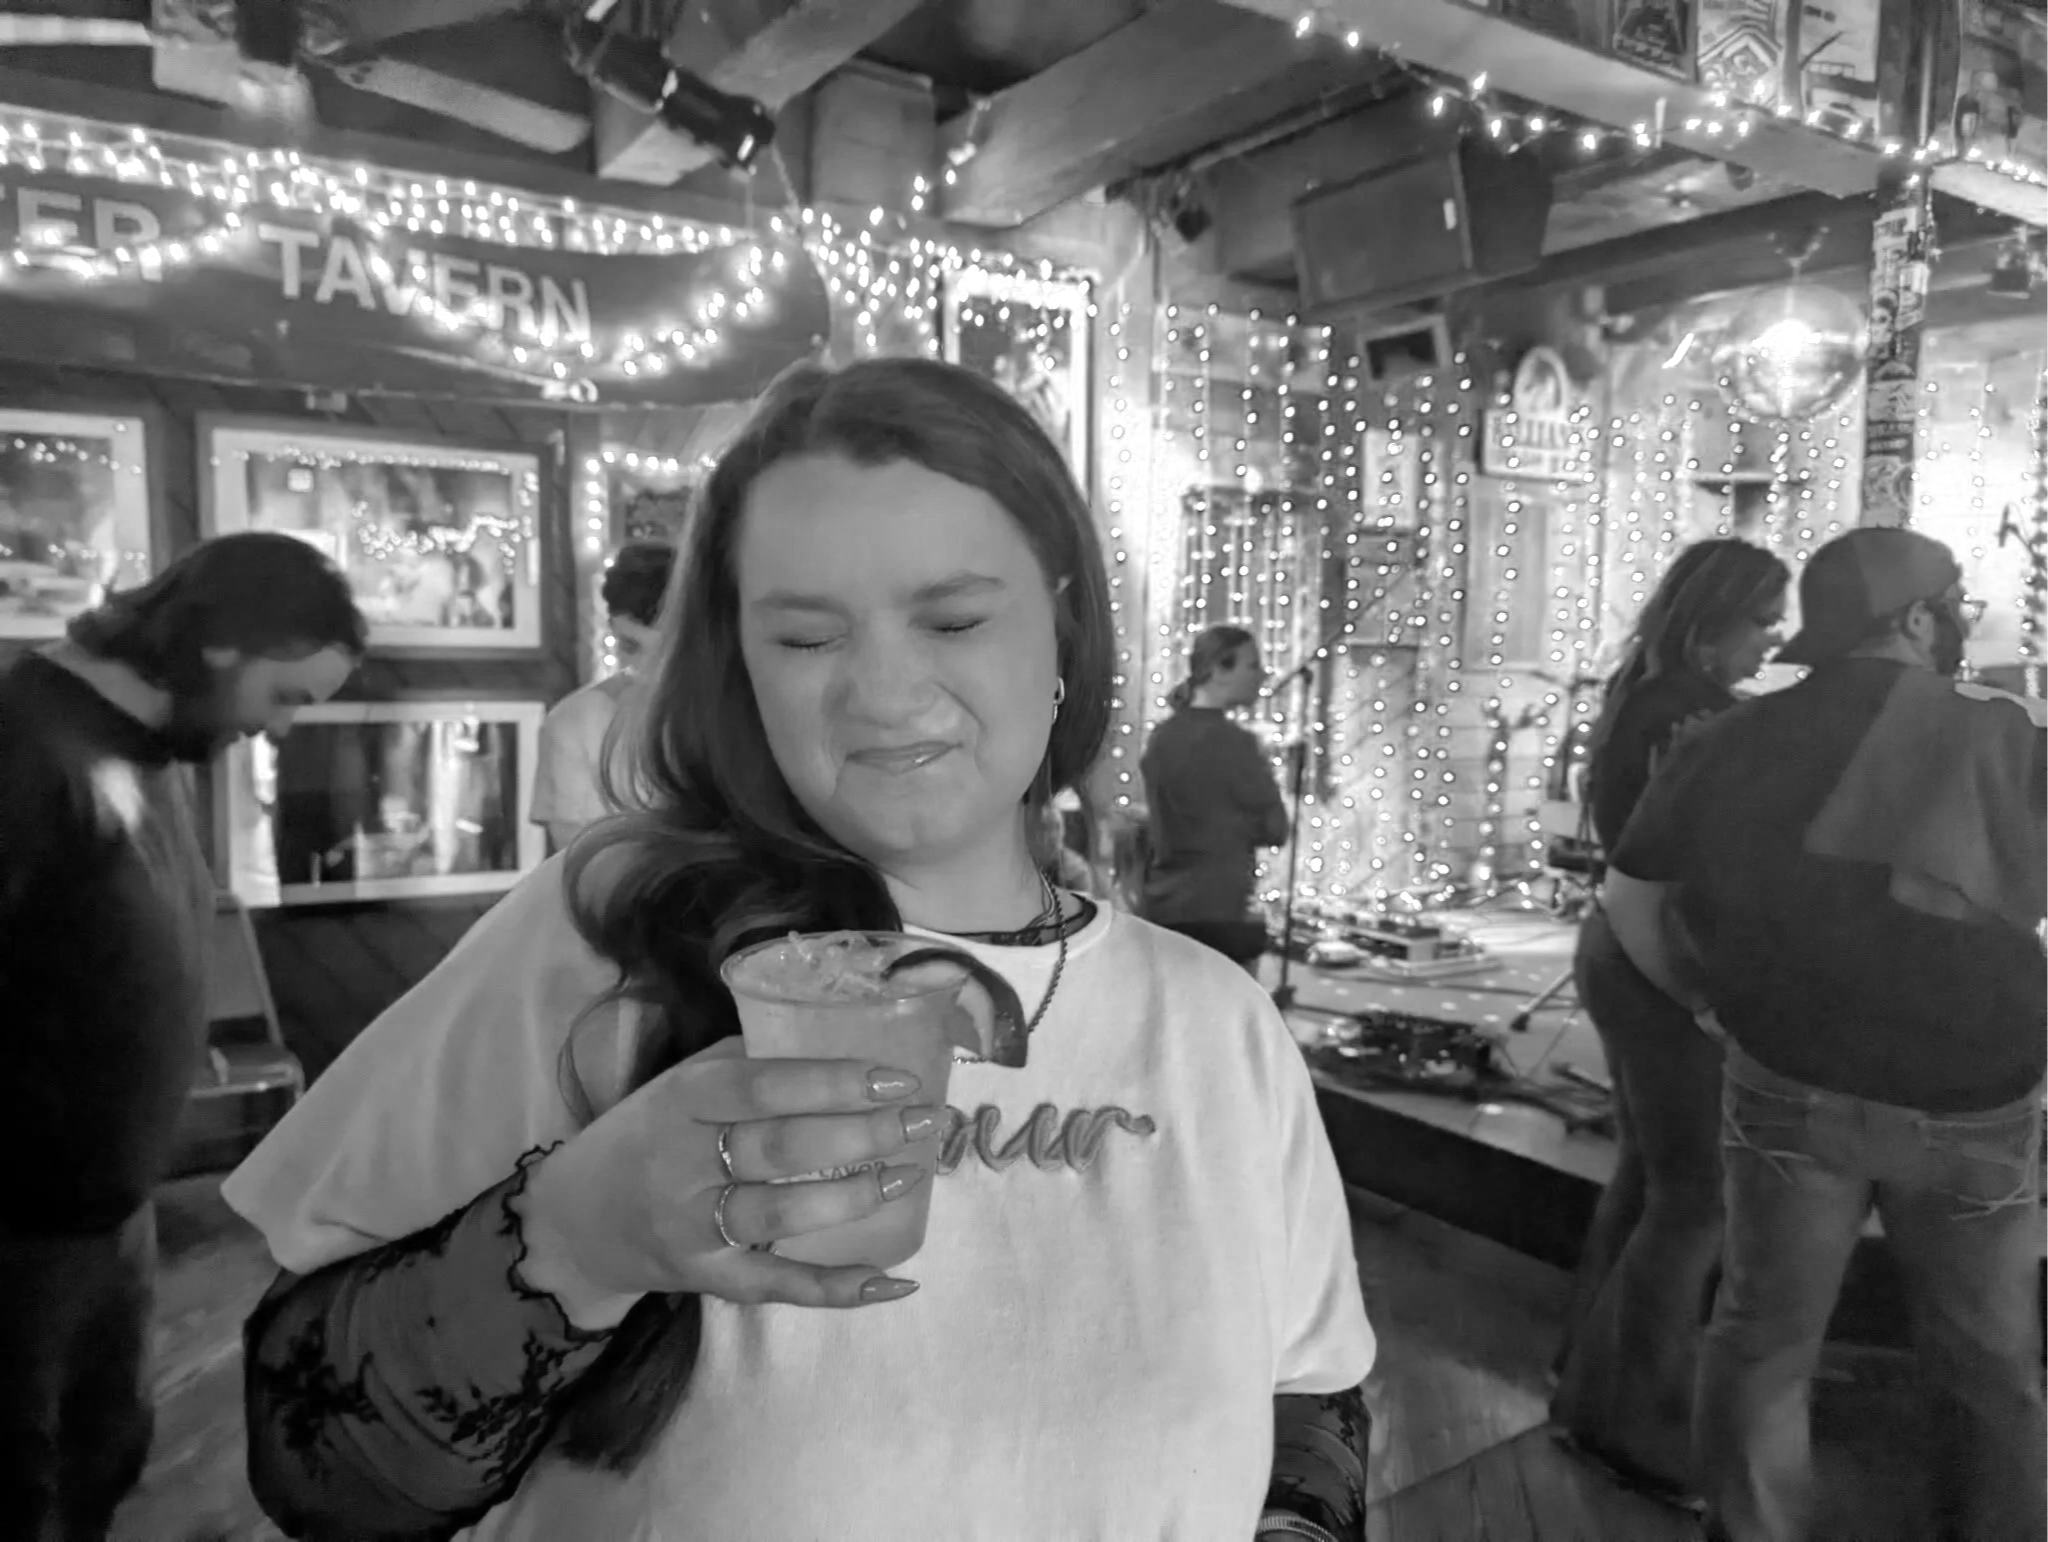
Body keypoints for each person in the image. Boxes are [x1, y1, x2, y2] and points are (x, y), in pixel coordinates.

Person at [221, 358, 1377, 1542]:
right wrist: (574, 1236)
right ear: (743, 668)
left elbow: (1309, 1397)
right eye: (807, 639)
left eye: (954, 618)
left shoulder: (1214, 1022)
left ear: (1062, 625)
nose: (882, 694)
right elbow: (313, 1461)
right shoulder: (600, 941)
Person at [1604, 526, 2048, 1542]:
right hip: (1974, 1093)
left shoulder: (1730, 735)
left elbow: (1630, 897)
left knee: (1762, 1340)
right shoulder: (2002, 732)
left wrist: (1707, 1007)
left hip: (1788, 1080)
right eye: (1953, 605)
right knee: (1987, 1361)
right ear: (1912, 618)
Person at [0, 532, 364, 1541]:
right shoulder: (23, 745)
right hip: (18, 1227)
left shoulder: (149, 744)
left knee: (100, 1459)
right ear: (222, 647)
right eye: (285, 697)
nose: (281, 731)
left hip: (105, 1207)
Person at [1549, 538, 1789, 1508]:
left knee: (1652, 1177)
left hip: (1620, 940)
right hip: (1665, 957)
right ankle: (1637, 1425)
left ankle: (1585, 1380)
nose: (1769, 642)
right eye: (1761, 620)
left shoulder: (1641, 699)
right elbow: (1711, 862)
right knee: (1695, 1198)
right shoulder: (1696, 717)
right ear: (1712, 617)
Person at [1139, 624, 1290, 970]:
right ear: (1219, 669)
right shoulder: (1236, 744)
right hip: (1221, 908)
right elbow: (1276, 829)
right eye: (1251, 665)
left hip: (1164, 907)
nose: (1262, 675)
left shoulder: (1162, 738)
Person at [528, 539, 675, 854]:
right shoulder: (576, 723)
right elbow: (580, 865)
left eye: (675, 653)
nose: (651, 669)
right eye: (630, 646)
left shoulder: (747, 712)